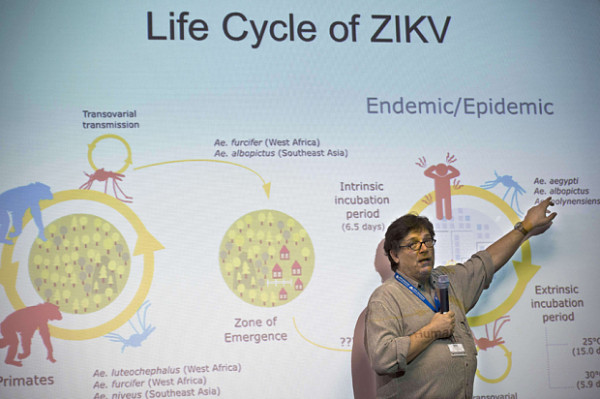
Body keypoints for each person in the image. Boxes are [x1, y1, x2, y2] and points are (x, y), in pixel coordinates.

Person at [364, 197, 556, 398]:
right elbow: (383, 358)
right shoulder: (385, 297)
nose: (424, 249)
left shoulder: (447, 280)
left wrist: (526, 226)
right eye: (413, 244)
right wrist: (432, 331)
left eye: (427, 241)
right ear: (395, 255)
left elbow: (486, 262)